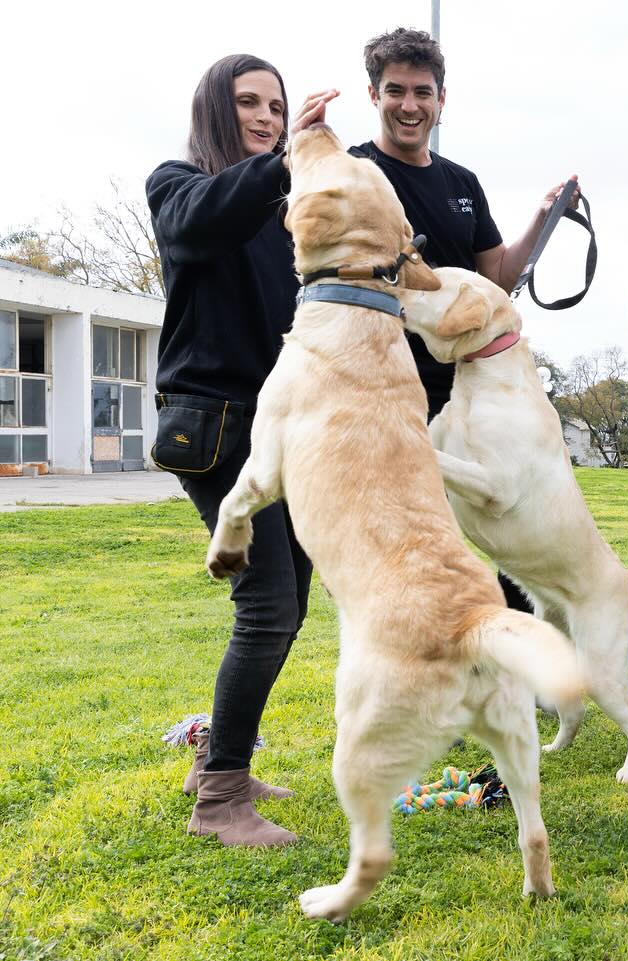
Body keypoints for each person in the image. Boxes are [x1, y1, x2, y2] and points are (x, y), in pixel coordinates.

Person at [147, 55, 337, 845]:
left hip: (282, 426)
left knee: (287, 605)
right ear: (216, 112)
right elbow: (199, 221)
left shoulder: (277, 203)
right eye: (250, 103)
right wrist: (284, 157)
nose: (265, 115)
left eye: (277, 106)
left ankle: (216, 761)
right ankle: (220, 799)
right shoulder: (179, 183)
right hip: (217, 426)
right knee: (265, 607)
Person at [348, 26, 576, 613]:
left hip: (465, 388)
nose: (409, 105)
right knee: (413, 546)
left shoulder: (462, 184)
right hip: (384, 386)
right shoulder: (355, 174)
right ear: (372, 94)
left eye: (422, 92)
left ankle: (517, 669)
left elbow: (496, 275)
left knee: (494, 532)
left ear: (441, 99)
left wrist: (542, 220)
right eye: (395, 90)